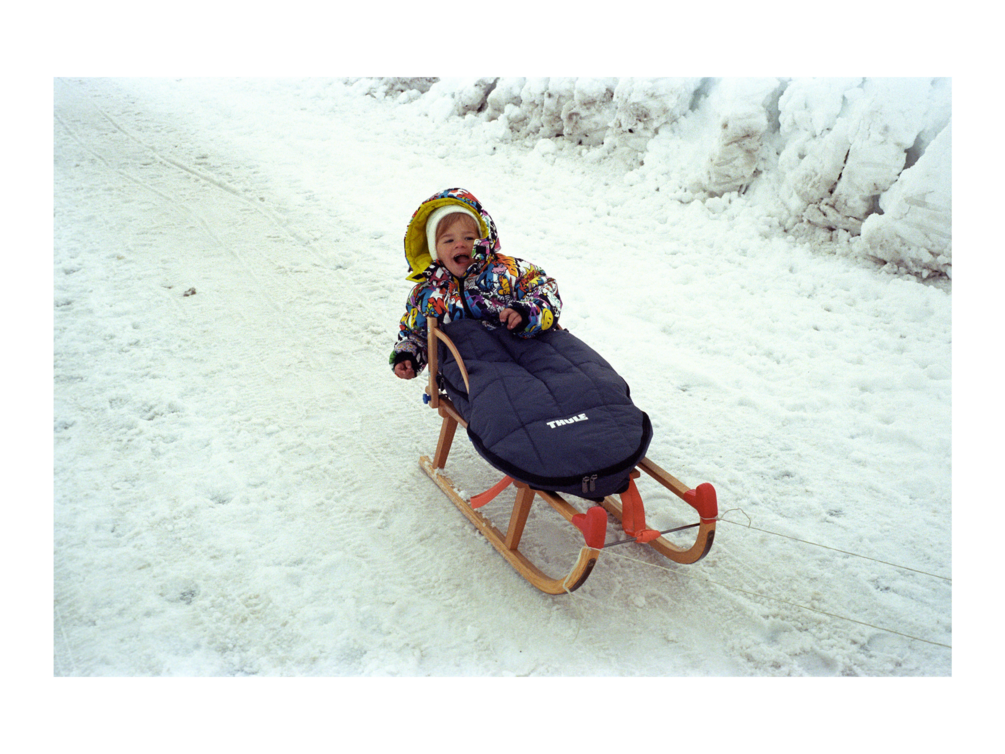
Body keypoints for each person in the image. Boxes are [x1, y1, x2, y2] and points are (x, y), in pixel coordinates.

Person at [390, 188, 562, 379]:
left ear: (482, 241)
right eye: (449, 240)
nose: (460, 244)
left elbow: (544, 290)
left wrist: (526, 312)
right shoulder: (426, 295)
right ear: (434, 251)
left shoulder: (507, 271)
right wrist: (408, 356)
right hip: (470, 371)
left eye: (469, 238)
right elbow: (417, 334)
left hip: (527, 351)